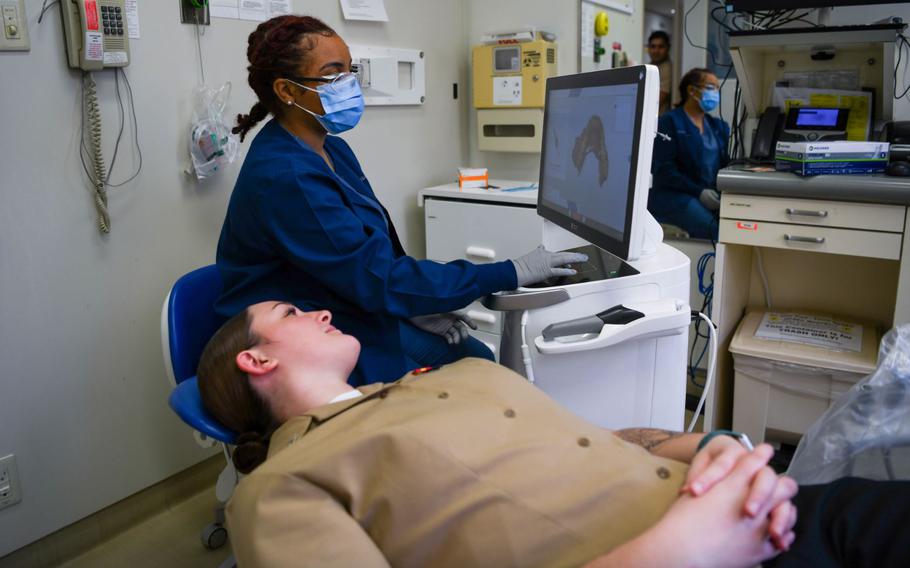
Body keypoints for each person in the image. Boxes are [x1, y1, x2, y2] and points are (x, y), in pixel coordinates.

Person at [197, 302, 910, 567]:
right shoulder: (276, 492)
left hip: (770, 514)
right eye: (292, 312)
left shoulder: (438, 379)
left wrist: (717, 449)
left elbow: (618, 439)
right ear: (258, 359)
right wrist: (682, 549)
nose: (320, 311)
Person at [215, 15, 585, 387]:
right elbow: (376, 277)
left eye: (350, 71)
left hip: (343, 302)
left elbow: (373, 258)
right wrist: (510, 271)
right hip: (295, 335)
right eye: (333, 74)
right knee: (453, 392)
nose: (349, 84)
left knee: (477, 360)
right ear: (287, 91)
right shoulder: (287, 177)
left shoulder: (333, 150)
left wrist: (411, 308)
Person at [650, 68, 730, 241]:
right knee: (716, 231)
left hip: (711, 194)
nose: (715, 93)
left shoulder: (718, 127)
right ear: (692, 90)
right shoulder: (669, 122)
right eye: (710, 87)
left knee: (734, 225)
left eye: (717, 88)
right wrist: (699, 192)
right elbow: (664, 170)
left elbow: (726, 164)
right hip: (675, 196)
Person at [647, 30, 673, 115]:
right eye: (653, 46)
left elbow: (657, 101)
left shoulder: (668, 69)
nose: (656, 51)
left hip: (659, 121)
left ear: (668, 48)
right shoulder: (650, 67)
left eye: (661, 46)